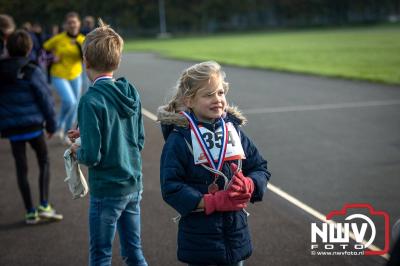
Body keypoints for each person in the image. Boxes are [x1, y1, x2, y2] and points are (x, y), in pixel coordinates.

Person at [158, 61, 271, 266]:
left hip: (235, 236)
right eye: (208, 95)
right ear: (189, 100)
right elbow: (171, 187)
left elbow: (259, 167)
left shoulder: (233, 131)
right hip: (201, 242)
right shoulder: (179, 140)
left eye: (220, 93)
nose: (217, 99)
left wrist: (250, 184)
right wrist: (212, 202)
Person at [68, 20, 147, 266]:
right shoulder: (131, 91)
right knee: (134, 253)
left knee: (101, 256)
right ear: (117, 60)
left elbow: (92, 156)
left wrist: (77, 149)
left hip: (107, 189)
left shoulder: (90, 100)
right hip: (133, 184)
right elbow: (139, 140)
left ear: (85, 61)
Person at [0, 30, 63, 224]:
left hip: (13, 129)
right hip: (34, 126)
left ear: (7, 48)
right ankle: (44, 204)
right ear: (29, 48)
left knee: (22, 168)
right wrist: (52, 125)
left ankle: (30, 211)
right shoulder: (33, 70)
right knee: (43, 161)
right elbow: (45, 99)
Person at [43, 12, 85, 144]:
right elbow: (42, 51)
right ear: (65, 25)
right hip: (59, 74)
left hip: (76, 74)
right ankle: (58, 125)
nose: (72, 24)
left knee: (75, 105)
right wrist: (51, 58)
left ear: (79, 24)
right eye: (69, 22)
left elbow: (86, 57)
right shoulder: (58, 38)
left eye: (74, 22)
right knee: (70, 101)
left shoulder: (83, 40)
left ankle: (67, 132)